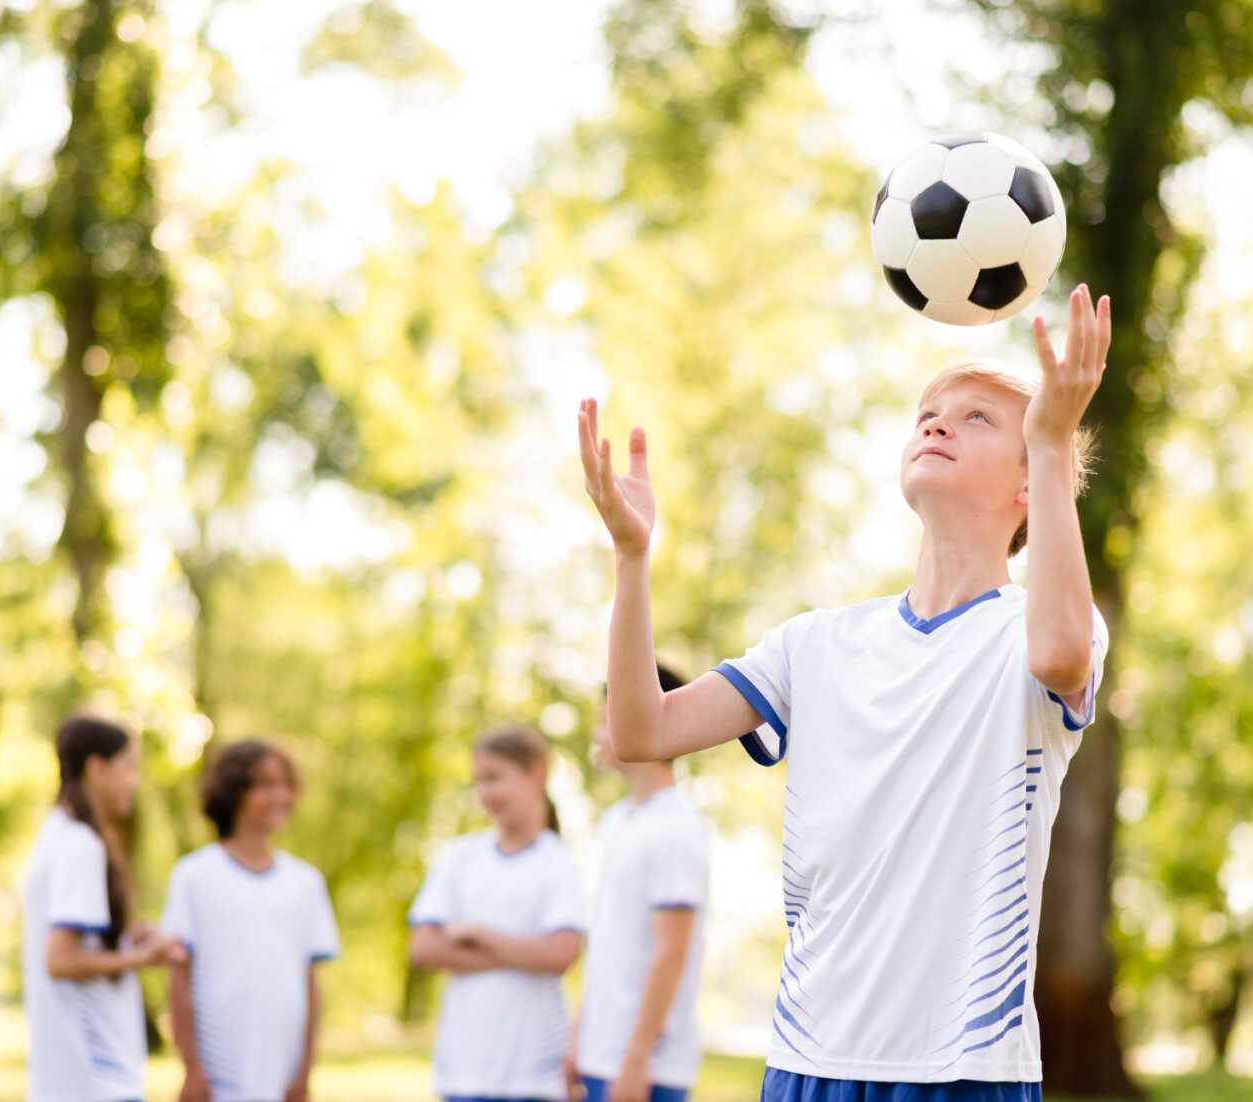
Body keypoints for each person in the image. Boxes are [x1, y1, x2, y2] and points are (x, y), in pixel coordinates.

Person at [577, 285, 1112, 1100]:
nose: (936, 422)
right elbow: (641, 732)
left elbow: (1062, 652)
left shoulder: (1033, 629)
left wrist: (1052, 439)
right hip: (808, 1062)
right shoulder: (816, 643)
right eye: (929, 411)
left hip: (964, 1069)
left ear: (1030, 488)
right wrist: (630, 560)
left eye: (978, 418)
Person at [408, 725, 585, 1102]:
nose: (484, 793)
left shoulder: (559, 862)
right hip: (462, 1071)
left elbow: (560, 955)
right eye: (478, 781)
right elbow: (423, 949)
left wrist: (475, 932)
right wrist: (525, 953)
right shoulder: (458, 857)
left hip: (534, 1075)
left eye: (494, 778)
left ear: (536, 774)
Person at [162, 739, 340, 1102]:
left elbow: (309, 983)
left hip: (281, 1077)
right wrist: (192, 1070)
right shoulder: (194, 876)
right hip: (218, 1077)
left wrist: (305, 1072)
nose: (281, 795)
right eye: (266, 784)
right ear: (234, 792)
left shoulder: (306, 883)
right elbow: (178, 976)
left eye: (286, 785)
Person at [22, 713, 184, 1102]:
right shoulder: (81, 844)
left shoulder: (56, 834)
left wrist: (126, 941)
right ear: (97, 769)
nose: (135, 781)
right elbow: (61, 961)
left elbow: (75, 947)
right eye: (129, 767)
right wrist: (144, 957)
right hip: (95, 1082)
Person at [567, 664, 709, 1102]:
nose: (596, 734)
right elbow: (609, 945)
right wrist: (579, 1036)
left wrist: (637, 1059)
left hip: (646, 1071)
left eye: (606, 717)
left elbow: (672, 952)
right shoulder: (617, 822)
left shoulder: (678, 828)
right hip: (600, 1057)